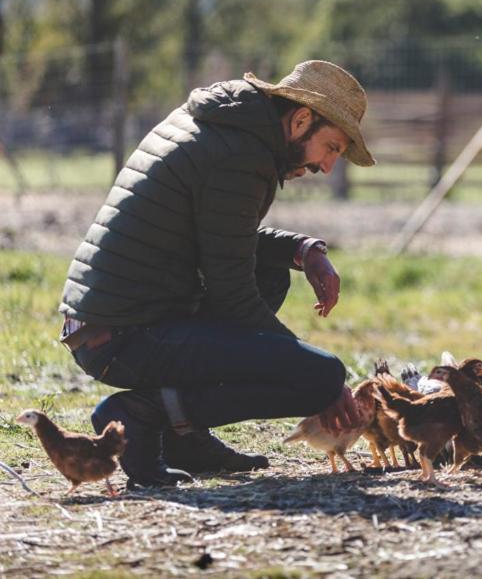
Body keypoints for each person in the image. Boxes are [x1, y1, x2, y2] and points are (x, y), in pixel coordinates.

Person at [58, 60, 374, 487]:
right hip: (124, 338)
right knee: (321, 376)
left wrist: (303, 250)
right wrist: (311, 371)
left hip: (113, 325)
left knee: (273, 275)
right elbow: (232, 291)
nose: (328, 166)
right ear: (301, 120)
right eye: (332, 147)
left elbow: (222, 236)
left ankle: (184, 438)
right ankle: (143, 414)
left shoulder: (224, 126)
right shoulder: (240, 155)